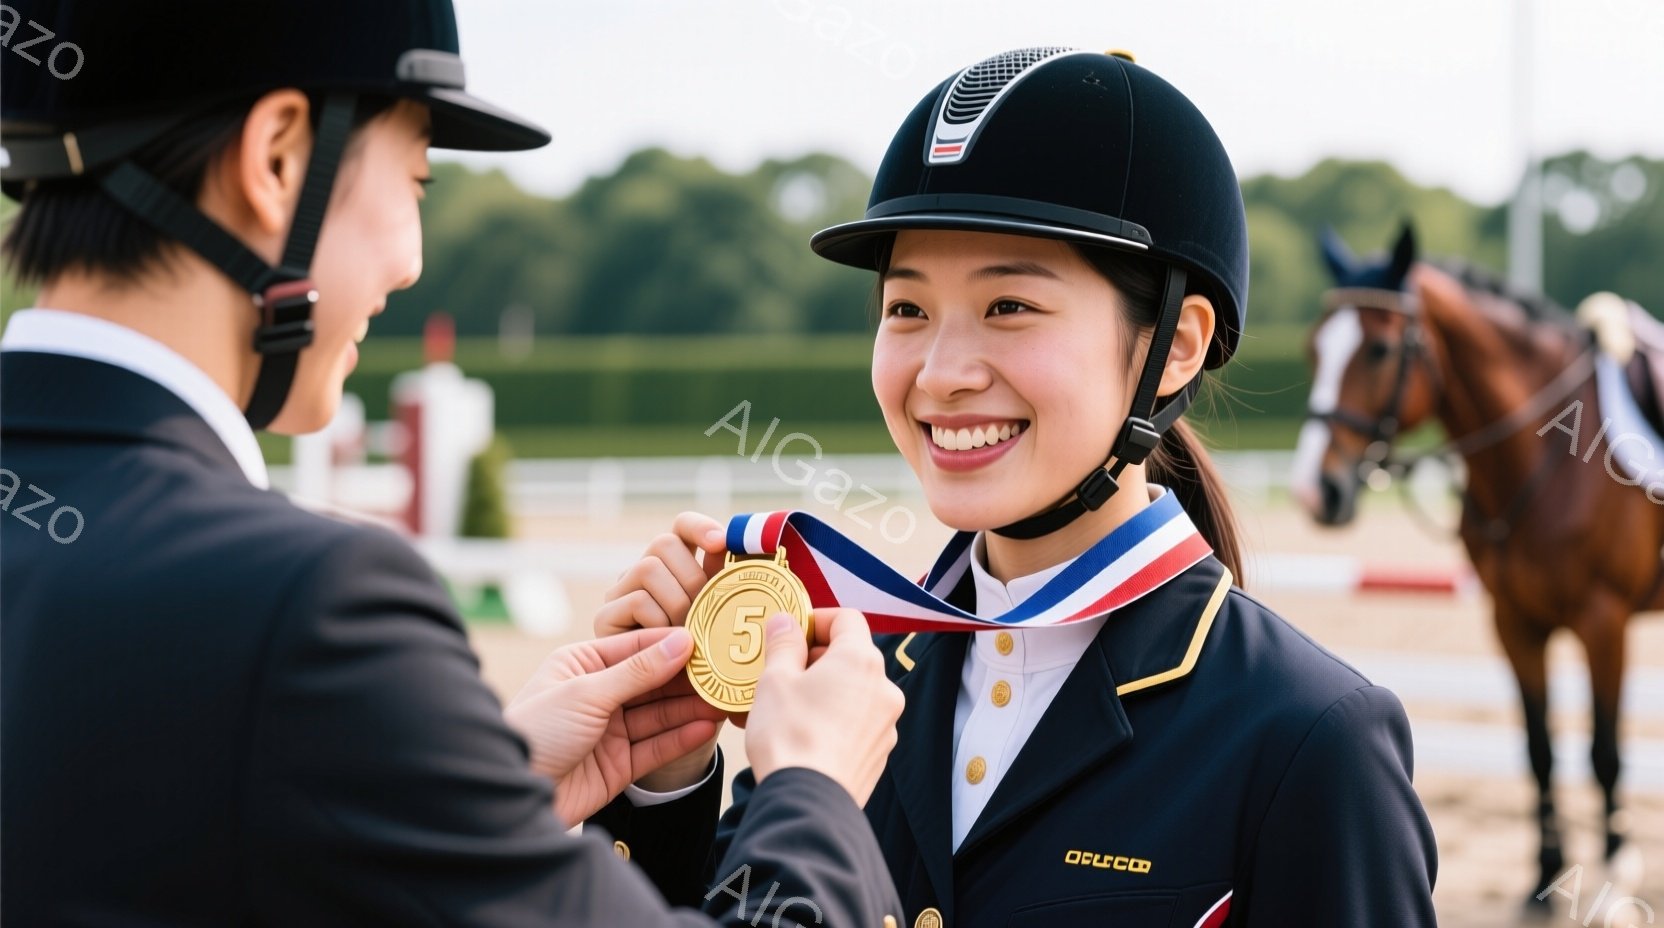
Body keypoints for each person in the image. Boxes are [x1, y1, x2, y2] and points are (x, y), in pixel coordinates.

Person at [0, 2, 905, 925]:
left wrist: (473, 797)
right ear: (277, 159)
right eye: (417, 180)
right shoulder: (309, 605)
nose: (410, 262)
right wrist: (814, 792)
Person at [592, 47, 1440, 927]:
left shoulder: (1311, 740)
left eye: (1009, 308)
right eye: (907, 310)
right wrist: (666, 777)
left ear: (1176, 346)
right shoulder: (848, 684)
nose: (942, 373)